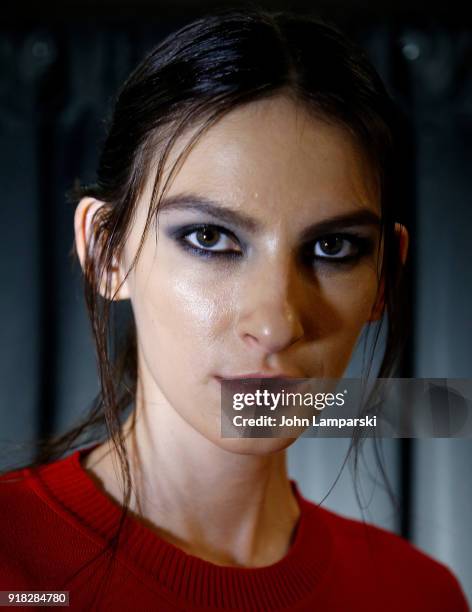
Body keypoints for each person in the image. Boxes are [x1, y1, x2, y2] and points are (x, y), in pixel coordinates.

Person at [0, 7, 468, 611]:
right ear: (106, 252)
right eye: (210, 238)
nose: (277, 325)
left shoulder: (418, 596)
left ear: (385, 277)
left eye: (333, 248)